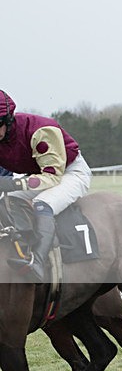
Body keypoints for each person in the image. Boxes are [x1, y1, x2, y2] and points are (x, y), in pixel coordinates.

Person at [0, 89, 92, 281]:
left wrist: (11, 183)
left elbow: (52, 178)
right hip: (38, 176)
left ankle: (38, 263)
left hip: (69, 173)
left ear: (7, 121)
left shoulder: (41, 131)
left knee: (43, 204)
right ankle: (22, 248)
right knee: (7, 202)